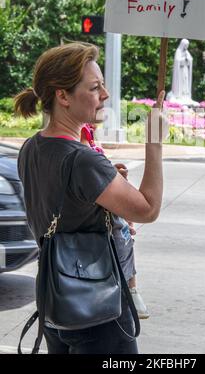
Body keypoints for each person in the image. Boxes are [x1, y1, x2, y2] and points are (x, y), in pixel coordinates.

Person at [14, 42, 168, 354]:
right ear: (62, 96)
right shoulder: (84, 160)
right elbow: (148, 209)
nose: (105, 95)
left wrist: (108, 197)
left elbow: (68, 207)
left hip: (55, 300)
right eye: (95, 87)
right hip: (98, 307)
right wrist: (154, 144)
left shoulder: (32, 147)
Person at [80, 123, 149, 319]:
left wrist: (113, 174)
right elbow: (88, 174)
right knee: (122, 238)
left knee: (126, 238)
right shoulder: (81, 134)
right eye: (94, 90)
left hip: (108, 205)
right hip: (101, 209)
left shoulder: (89, 132)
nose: (104, 95)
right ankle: (128, 290)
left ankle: (131, 288)